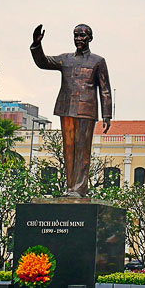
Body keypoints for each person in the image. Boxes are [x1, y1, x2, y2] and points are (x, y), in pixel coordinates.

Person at [30, 23, 112, 197]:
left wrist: (107, 115)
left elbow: (105, 89)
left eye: (82, 36)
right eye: (76, 35)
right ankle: (70, 188)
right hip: (66, 108)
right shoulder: (65, 59)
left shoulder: (98, 61)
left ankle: (79, 189)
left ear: (90, 38)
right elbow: (43, 62)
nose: (79, 39)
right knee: (68, 149)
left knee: (82, 150)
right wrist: (37, 44)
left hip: (86, 110)